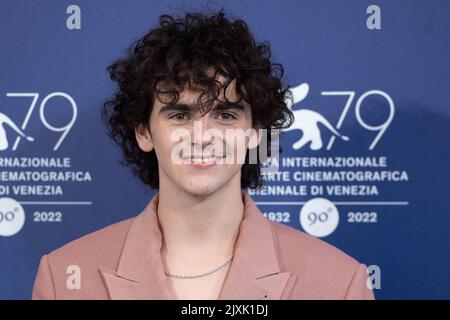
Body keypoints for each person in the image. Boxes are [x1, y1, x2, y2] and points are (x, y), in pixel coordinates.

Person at [32, 11, 374, 300]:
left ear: (256, 131)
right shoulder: (64, 279)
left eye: (225, 115)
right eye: (180, 115)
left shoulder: (338, 283)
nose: (202, 137)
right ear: (144, 132)